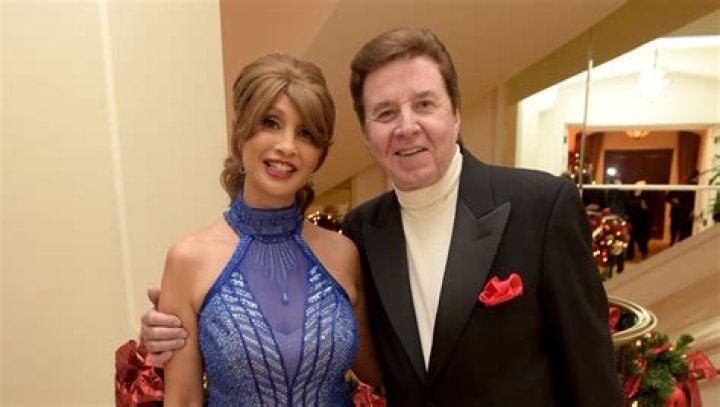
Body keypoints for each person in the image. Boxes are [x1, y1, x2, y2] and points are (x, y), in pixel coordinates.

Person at [143, 28, 622, 405]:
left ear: (455, 112)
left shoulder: (542, 206)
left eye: (424, 104)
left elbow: (592, 375)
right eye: (386, 112)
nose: (407, 126)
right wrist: (171, 333)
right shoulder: (364, 232)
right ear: (368, 134)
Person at [154, 53, 380, 405]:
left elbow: (378, 372)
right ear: (240, 132)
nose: (287, 146)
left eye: (305, 133)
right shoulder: (188, 259)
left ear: (319, 154)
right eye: (270, 123)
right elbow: (182, 399)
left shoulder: (343, 253)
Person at [667, 170, 698, 244]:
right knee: (673, 231)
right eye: (683, 179)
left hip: (685, 214)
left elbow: (693, 201)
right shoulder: (676, 188)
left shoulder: (690, 190)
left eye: (686, 179)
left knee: (683, 233)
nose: (684, 181)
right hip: (675, 214)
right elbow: (667, 198)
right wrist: (673, 200)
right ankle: (672, 243)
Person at [626, 180, 651, 260]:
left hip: (642, 220)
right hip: (632, 219)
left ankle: (644, 253)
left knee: (642, 238)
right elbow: (627, 205)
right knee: (631, 239)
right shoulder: (631, 194)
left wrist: (644, 207)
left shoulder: (646, 195)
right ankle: (630, 255)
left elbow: (647, 208)